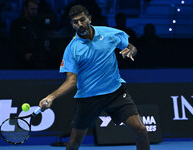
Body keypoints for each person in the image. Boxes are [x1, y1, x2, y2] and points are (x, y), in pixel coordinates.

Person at [39, 5, 150, 150]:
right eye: (75, 22)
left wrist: (132, 51)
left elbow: (131, 47)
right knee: (73, 144)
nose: (80, 24)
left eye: (82, 20)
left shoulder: (109, 34)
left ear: (89, 19)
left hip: (115, 93)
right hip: (88, 98)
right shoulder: (72, 49)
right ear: (72, 25)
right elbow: (71, 81)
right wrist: (51, 97)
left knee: (140, 130)